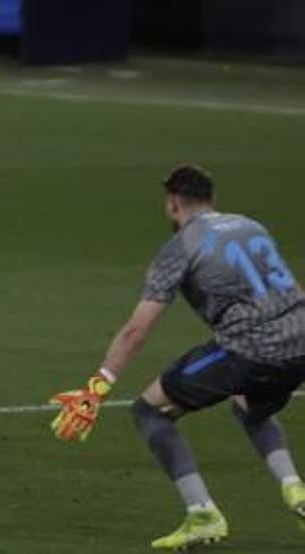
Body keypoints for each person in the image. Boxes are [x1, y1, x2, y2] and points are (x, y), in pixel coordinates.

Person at [49, 165, 305, 550]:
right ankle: (295, 489)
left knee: (149, 410)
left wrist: (96, 387)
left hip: (249, 350)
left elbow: (137, 331)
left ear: (172, 204)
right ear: (212, 199)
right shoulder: (251, 225)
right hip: (300, 344)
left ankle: (202, 513)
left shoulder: (181, 247)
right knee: (250, 406)